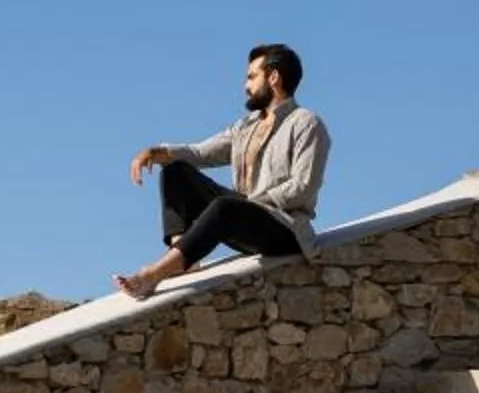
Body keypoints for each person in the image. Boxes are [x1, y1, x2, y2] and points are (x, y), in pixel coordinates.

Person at [115, 44, 330, 301]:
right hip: (243, 219)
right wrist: (155, 152)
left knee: (225, 207)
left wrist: (254, 203)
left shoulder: (306, 123)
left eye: (251, 77)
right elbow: (200, 153)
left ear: (273, 78)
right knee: (175, 170)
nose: (245, 85)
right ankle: (184, 259)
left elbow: (303, 187)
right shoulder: (246, 126)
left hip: (284, 229)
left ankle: (153, 275)